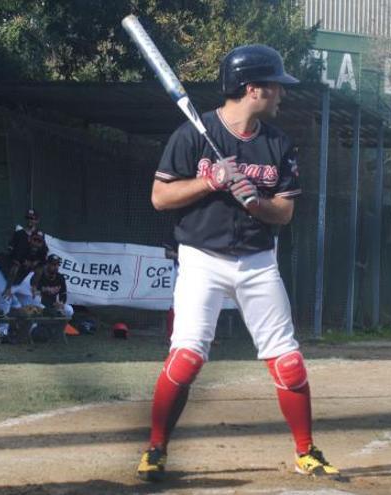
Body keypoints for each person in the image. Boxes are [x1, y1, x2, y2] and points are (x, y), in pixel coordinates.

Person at [135, 44, 340, 481]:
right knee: (187, 357)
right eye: (275, 88)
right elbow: (160, 197)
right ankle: (156, 448)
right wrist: (210, 181)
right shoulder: (192, 134)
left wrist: (255, 201)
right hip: (201, 259)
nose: (281, 95)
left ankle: (306, 451)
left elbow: (283, 212)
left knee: (287, 361)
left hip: (257, 261)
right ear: (252, 89)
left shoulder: (278, 144)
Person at [32, 254, 73, 319]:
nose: (56, 267)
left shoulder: (60, 278)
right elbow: (33, 291)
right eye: (54, 264)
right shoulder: (39, 275)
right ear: (47, 264)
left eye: (57, 265)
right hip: (39, 303)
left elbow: (63, 294)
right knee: (37, 301)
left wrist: (61, 303)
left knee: (69, 310)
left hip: (53, 304)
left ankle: (59, 327)